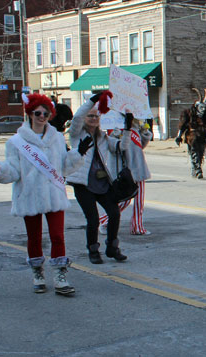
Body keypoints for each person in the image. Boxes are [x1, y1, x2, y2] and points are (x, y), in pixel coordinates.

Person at [0, 93, 92, 295]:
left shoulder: (57, 138)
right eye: (38, 112)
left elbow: (63, 168)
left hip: (54, 194)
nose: (42, 116)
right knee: (34, 238)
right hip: (29, 195)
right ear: (30, 114)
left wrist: (78, 154)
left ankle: (60, 276)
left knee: (58, 237)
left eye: (46, 112)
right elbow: (13, 171)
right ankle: (38, 273)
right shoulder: (15, 142)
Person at [67, 90, 128, 264]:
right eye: (90, 116)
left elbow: (121, 147)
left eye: (96, 117)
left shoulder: (103, 137)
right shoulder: (77, 134)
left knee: (114, 213)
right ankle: (93, 250)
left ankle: (112, 247)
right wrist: (92, 100)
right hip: (83, 183)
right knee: (92, 219)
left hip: (101, 182)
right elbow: (77, 117)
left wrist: (129, 128)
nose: (93, 119)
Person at [99, 114, 152, 236]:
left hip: (139, 168)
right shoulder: (114, 125)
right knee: (124, 200)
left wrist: (145, 132)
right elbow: (114, 149)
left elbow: (140, 147)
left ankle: (137, 226)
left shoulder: (135, 126)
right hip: (124, 171)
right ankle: (103, 220)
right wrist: (116, 134)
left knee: (139, 201)